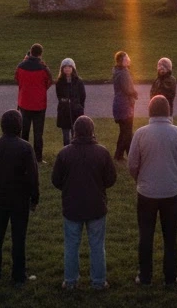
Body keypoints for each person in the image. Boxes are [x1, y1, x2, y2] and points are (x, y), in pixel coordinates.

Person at [128, 95, 177, 286]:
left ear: (150, 111)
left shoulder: (140, 133)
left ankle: (145, 276)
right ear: (168, 111)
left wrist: (139, 179)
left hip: (146, 192)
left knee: (146, 235)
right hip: (171, 192)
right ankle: (170, 277)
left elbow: (132, 164)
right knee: (170, 237)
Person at [51, 116, 117, 291]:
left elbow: (56, 180)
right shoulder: (102, 153)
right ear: (92, 132)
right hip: (96, 206)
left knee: (71, 245)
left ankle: (71, 281)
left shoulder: (64, 153)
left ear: (74, 132)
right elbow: (111, 179)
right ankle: (98, 281)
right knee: (97, 245)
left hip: (72, 207)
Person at [0, 110, 41, 285]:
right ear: (19, 126)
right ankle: (18, 275)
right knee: (18, 237)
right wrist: (34, 197)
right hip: (19, 200)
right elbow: (33, 177)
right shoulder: (25, 148)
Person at [16, 44, 54, 163]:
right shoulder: (43, 68)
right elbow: (49, 81)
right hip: (39, 104)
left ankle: (24, 157)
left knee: (24, 131)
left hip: (24, 103)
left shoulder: (21, 66)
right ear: (40, 54)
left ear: (30, 52)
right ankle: (38, 158)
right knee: (38, 133)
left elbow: (17, 79)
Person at [112, 51, 139, 161]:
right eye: (126, 58)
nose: (128, 59)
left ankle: (120, 155)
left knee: (124, 131)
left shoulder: (119, 71)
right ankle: (127, 155)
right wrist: (135, 93)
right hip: (124, 105)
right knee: (127, 132)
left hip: (120, 104)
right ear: (121, 61)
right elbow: (128, 89)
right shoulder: (123, 73)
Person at [55, 58, 87, 147]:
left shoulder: (78, 81)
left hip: (76, 111)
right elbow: (59, 96)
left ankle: (75, 151)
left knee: (75, 134)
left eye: (69, 67)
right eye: (65, 67)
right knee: (66, 136)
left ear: (73, 68)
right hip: (64, 111)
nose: (67, 69)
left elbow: (82, 96)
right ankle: (66, 152)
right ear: (62, 69)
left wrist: (79, 106)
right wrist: (64, 101)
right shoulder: (59, 82)